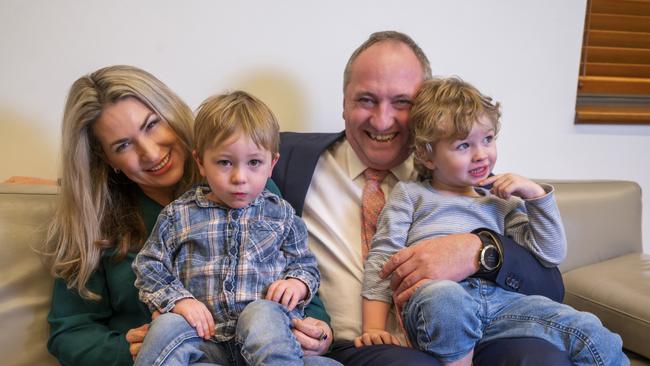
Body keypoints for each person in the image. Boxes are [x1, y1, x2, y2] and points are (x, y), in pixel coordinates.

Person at [272, 31, 572, 365]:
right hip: (356, 346)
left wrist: (480, 251)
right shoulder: (283, 160)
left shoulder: (461, 174)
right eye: (366, 100)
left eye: (402, 102)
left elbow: (550, 287)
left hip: (476, 331)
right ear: (344, 102)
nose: (382, 119)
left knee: (543, 357)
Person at [44, 65, 334, 366]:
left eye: (151, 125)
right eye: (123, 145)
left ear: (171, 114)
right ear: (106, 158)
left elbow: (300, 276)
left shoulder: (248, 185)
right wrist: (130, 350)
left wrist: (318, 332)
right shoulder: (96, 219)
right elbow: (69, 332)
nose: (151, 153)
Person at [359, 76, 628, 366]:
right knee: (447, 298)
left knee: (590, 328)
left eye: (487, 139)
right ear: (427, 155)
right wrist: (374, 327)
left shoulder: (503, 201)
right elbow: (384, 258)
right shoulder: (411, 195)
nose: (481, 155)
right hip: (438, 301)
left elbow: (550, 254)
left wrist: (536, 197)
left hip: (503, 304)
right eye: (463, 146)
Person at [132, 91, 335, 366]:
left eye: (254, 163)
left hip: (270, 342)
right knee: (168, 325)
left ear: (271, 164)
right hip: (205, 342)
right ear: (201, 162)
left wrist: (296, 284)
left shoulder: (282, 214)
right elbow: (148, 266)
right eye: (225, 162)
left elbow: (305, 265)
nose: (240, 177)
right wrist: (178, 301)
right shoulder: (177, 215)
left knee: (269, 318)